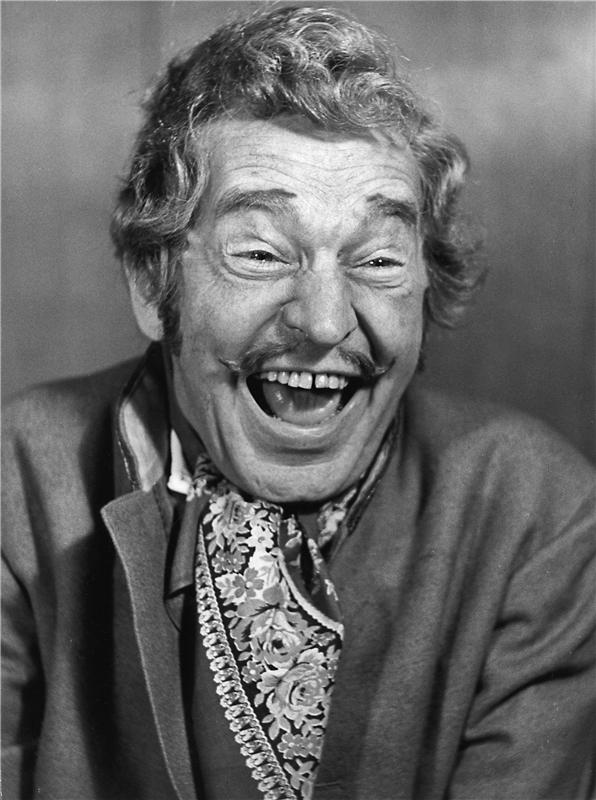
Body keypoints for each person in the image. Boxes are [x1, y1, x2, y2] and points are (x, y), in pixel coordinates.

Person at [2, 5, 594, 799]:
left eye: (378, 260)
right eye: (260, 252)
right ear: (152, 283)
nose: (323, 321)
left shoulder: (539, 512)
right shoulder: (17, 479)